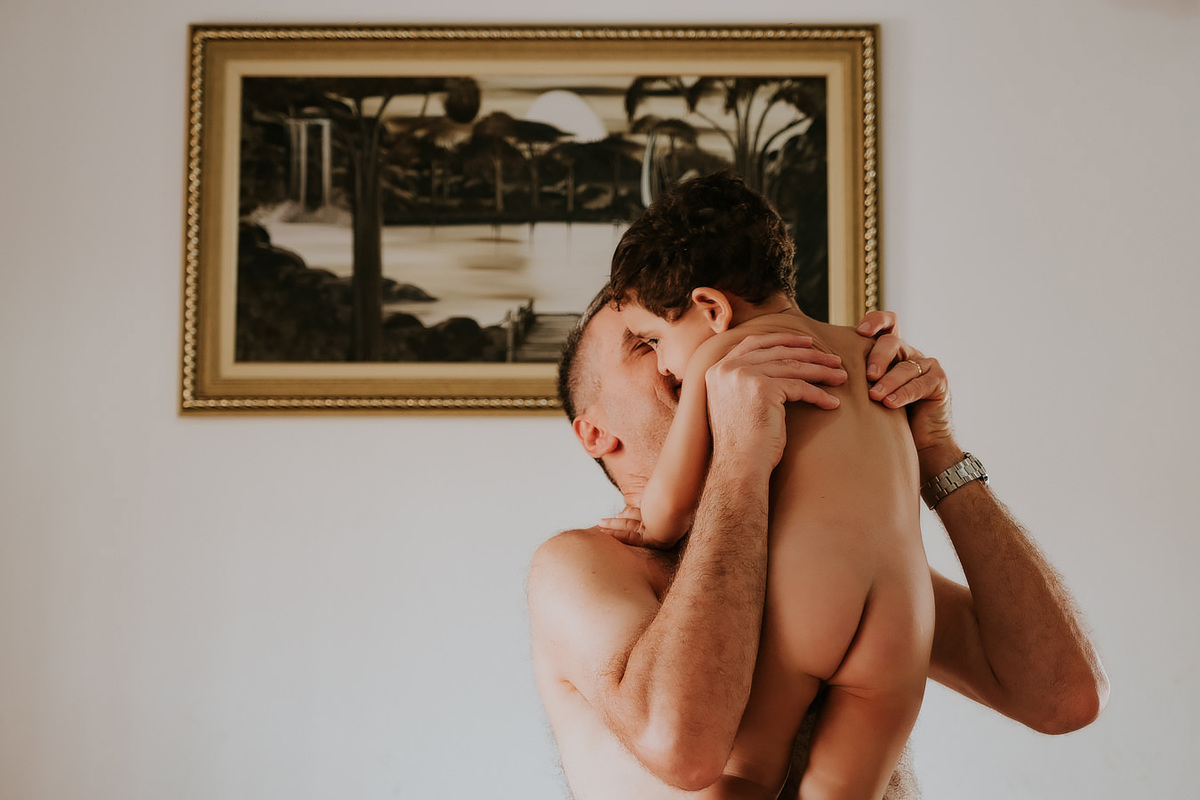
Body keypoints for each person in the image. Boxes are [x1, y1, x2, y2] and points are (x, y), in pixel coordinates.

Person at [530, 294, 1108, 799]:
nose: (696, 344)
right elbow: (684, 749)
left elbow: (1062, 698)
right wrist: (739, 456)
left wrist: (937, 449)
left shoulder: (813, 558)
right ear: (596, 431)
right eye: (641, 341)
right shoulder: (577, 565)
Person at [596, 171, 932, 799]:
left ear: (710, 308)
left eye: (653, 340)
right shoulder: (870, 352)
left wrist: (645, 524)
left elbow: (668, 510)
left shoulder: (723, 358)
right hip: (903, 617)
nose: (665, 364)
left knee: (744, 777)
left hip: (807, 602)